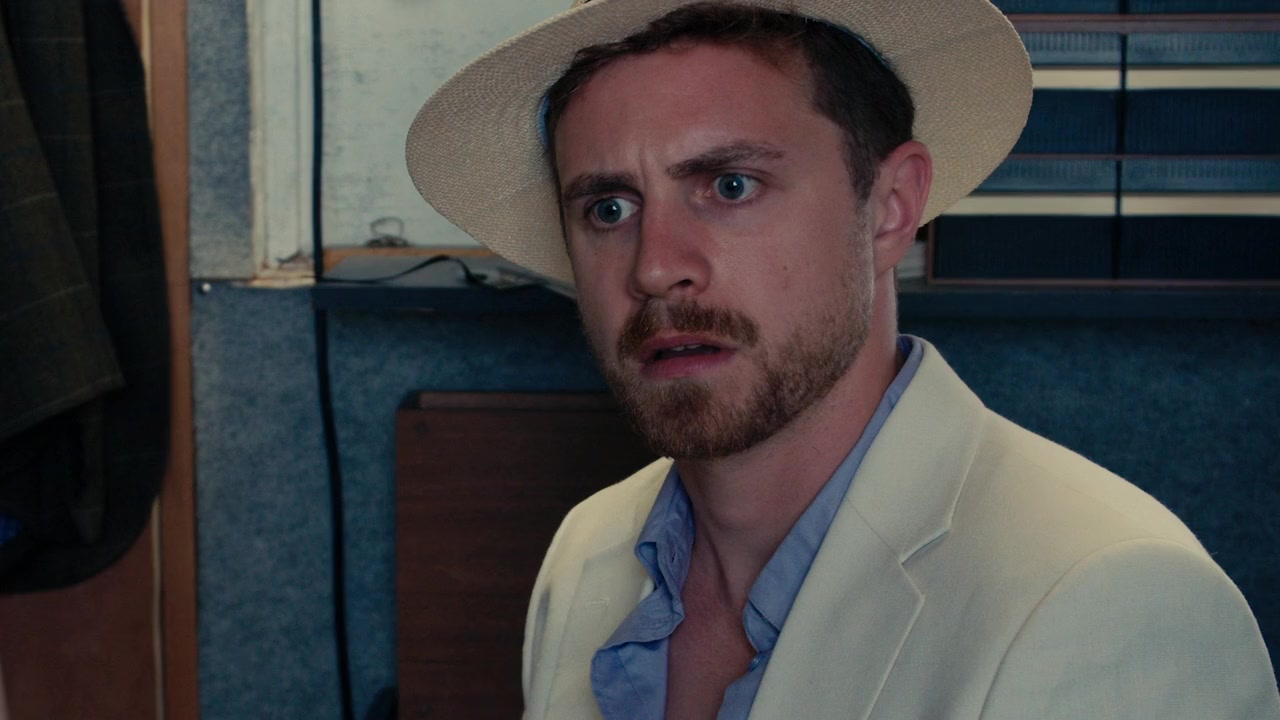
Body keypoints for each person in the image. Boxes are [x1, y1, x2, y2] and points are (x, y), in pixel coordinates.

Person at [405, 1, 1280, 717]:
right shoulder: (588, 553)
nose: (656, 266)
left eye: (730, 185)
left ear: (890, 208)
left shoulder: (1107, 600)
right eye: (609, 209)